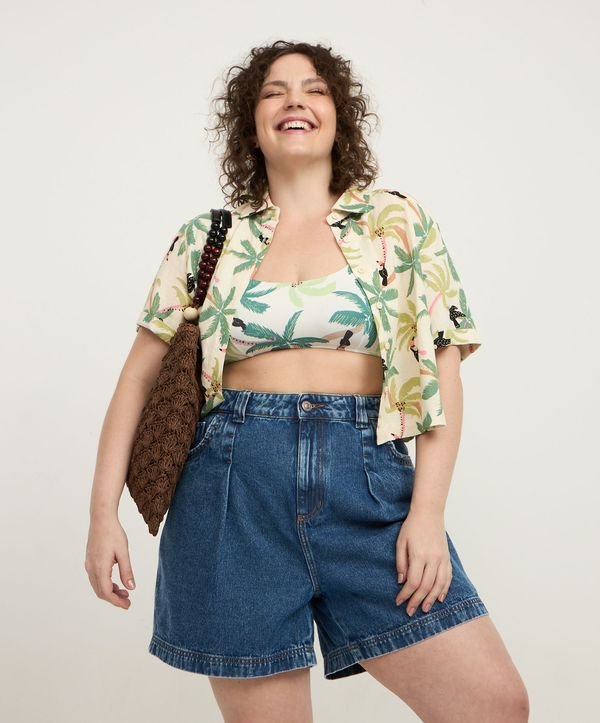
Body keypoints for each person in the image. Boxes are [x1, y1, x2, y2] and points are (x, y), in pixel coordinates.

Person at [85, 41, 529, 722]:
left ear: (338, 115)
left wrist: (428, 514)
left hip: (368, 484)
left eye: (314, 89)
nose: (295, 100)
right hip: (230, 492)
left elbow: (442, 370)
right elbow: (136, 381)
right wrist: (101, 516)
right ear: (251, 124)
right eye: (274, 91)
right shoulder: (208, 238)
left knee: (494, 704)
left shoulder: (397, 224)